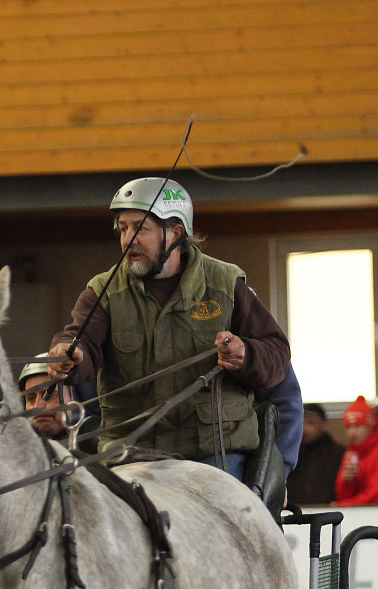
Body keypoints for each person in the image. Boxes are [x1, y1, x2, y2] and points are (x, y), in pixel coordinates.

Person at [46, 177, 290, 479]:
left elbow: (277, 353)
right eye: (123, 228)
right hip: (131, 453)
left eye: (140, 228)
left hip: (214, 453)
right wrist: (69, 354)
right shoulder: (103, 291)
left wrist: (247, 355)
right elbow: (80, 339)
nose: (128, 239)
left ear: (175, 233)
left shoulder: (226, 284)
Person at [286, 402, 345, 505]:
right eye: (301, 423)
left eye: (311, 423)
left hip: (329, 512)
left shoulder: (338, 453)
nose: (304, 429)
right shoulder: (291, 454)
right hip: (296, 513)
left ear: (324, 425)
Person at [334, 395, 378, 506]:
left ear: (371, 426)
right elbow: (341, 495)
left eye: (357, 426)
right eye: (348, 427)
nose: (352, 432)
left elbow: (374, 495)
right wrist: (347, 482)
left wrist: (344, 505)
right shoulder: (351, 453)